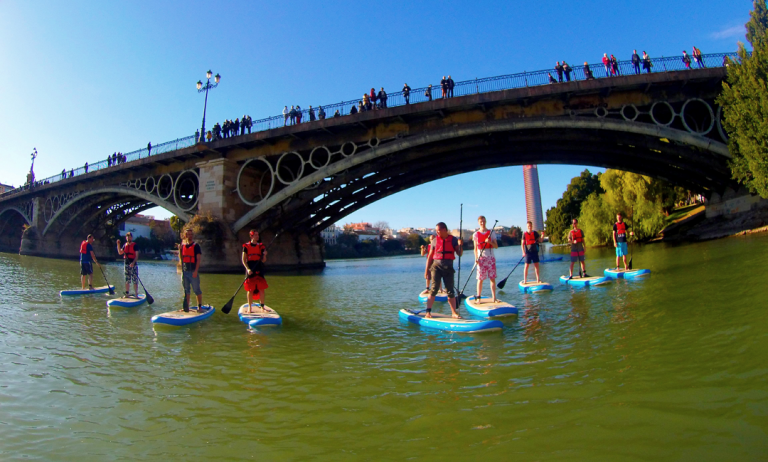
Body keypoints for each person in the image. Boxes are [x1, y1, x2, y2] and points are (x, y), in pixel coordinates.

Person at [424, 222, 463, 319]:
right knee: (434, 289)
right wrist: (426, 270)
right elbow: (430, 257)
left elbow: (459, 253)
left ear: (444, 230)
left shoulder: (453, 240)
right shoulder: (434, 241)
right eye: (436, 231)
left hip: (448, 268)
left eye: (439, 230)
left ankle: (454, 313)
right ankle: (428, 312)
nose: (437, 232)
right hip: (436, 267)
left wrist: (460, 245)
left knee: (450, 291)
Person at [241, 229, 269, 313]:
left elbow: (263, 260)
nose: (257, 236)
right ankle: (250, 307)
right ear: (251, 236)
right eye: (256, 235)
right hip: (250, 267)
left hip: (259, 267)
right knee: (250, 289)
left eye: (258, 235)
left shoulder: (261, 246)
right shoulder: (246, 246)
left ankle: (262, 306)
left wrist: (264, 255)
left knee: (261, 288)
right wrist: (248, 269)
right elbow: (243, 260)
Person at [474, 216, 498, 303]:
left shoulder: (491, 232)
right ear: (478, 222)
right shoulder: (476, 234)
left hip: (490, 258)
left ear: (486, 221)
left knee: (492, 278)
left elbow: (496, 246)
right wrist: (476, 258)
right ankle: (478, 298)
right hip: (481, 259)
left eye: (483, 221)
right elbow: (475, 249)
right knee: (480, 279)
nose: (482, 223)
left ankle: (494, 298)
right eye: (481, 221)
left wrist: (490, 242)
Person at [179, 228, 203, 312]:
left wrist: (196, 271)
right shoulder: (183, 246)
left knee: (196, 289)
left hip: (193, 271)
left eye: (191, 234)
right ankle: (186, 307)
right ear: (185, 235)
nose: (190, 236)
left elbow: (198, 259)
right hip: (185, 271)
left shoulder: (196, 246)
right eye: (188, 234)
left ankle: (199, 307)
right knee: (186, 290)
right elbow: (181, 259)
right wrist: (180, 249)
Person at [116, 232, 139, 297]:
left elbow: (136, 256)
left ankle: (136, 294)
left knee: (135, 279)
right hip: (126, 264)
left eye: (129, 237)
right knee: (127, 279)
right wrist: (118, 245)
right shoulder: (125, 245)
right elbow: (120, 252)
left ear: (131, 237)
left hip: (133, 264)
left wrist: (133, 263)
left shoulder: (135, 245)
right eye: (127, 237)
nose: (128, 238)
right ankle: (127, 293)